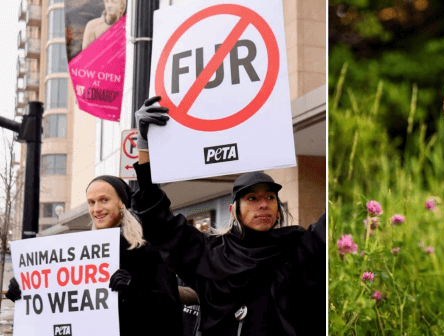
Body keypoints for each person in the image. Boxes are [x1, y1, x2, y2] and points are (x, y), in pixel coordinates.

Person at [132, 96, 326, 335]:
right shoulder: (208, 255)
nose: (262, 205)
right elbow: (158, 222)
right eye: (252, 199)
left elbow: (333, 221)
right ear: (233, 210)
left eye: (269, 198)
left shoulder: (299, 247)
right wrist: (145, 145)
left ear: (278, 208)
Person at [6, 175, 183, 336]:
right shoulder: (81, 252)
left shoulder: (147, 247)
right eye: (91, 202)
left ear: (122, 203)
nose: (96, 209)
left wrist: (133, 290)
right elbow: (63, 304)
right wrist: (26, 290)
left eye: (104, 200)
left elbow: (167, 309)